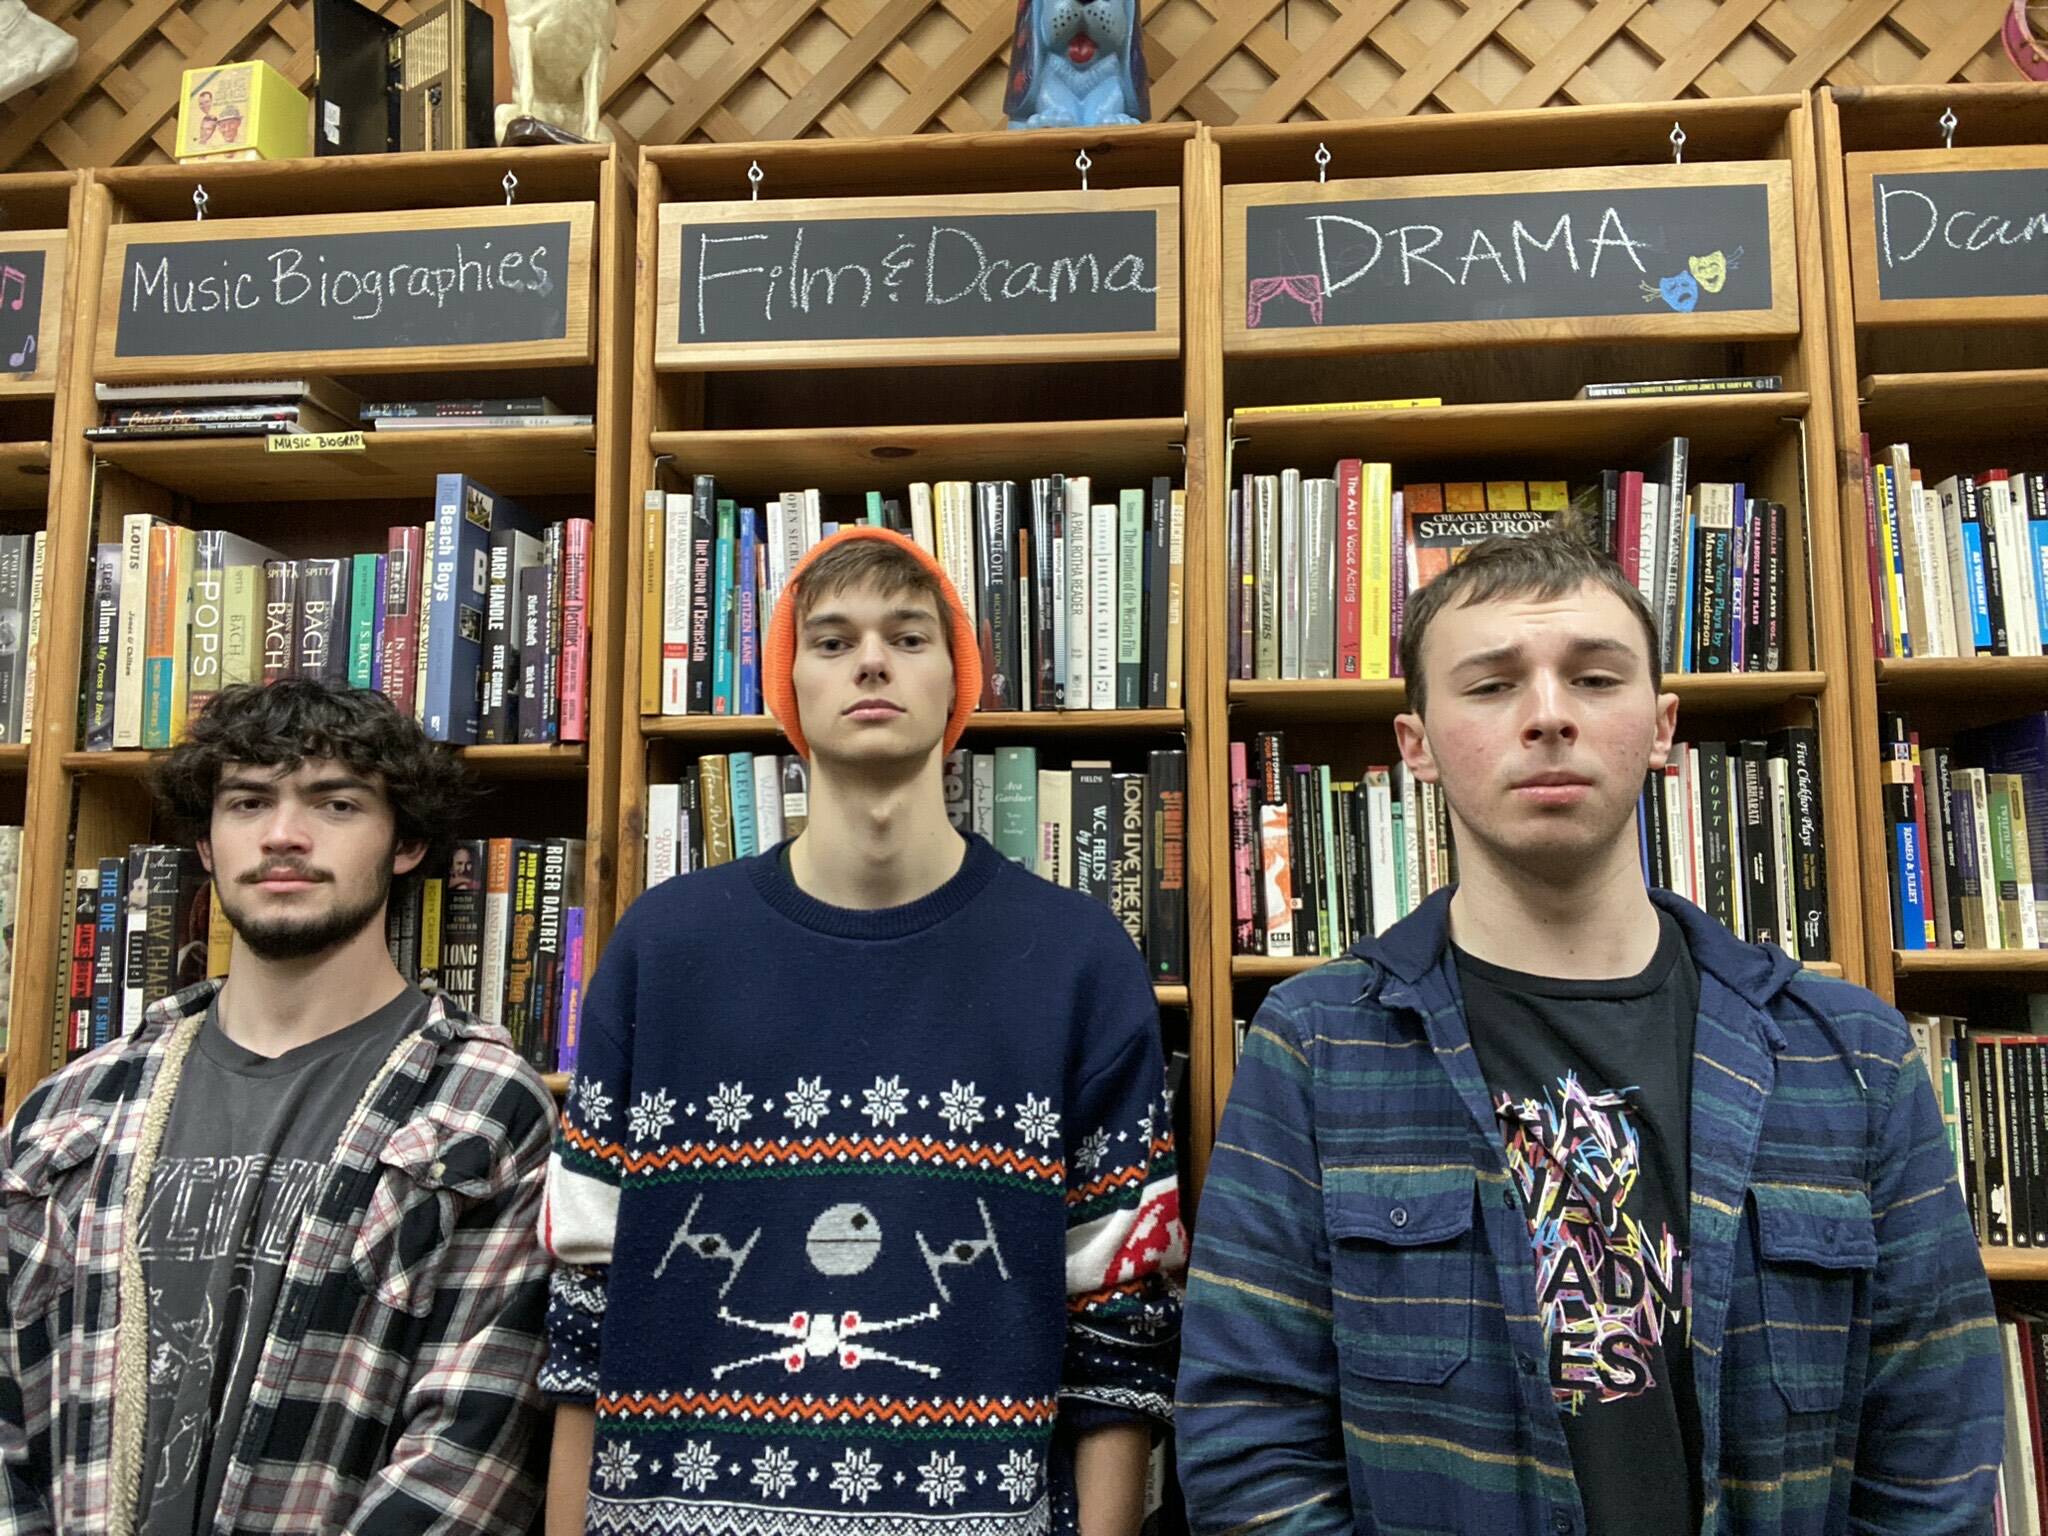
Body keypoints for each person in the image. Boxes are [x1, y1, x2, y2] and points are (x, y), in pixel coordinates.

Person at [1176, 532, 2001, 1536]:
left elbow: (1931, 1444)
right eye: (1488, 686)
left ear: (1659, 728)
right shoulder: (1314, 1046)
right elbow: (1247, 1439)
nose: (1548, 716)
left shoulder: (1853, 1057)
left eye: (1592, 677)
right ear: (1416, 746)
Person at [541, 526, 1182, 1536]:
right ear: (788, 686)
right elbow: (584, 1302)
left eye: (909, 635)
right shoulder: (662, 948)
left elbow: (1120, 1321)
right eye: (832, 640)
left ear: (958, 681)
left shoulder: (1078, 958)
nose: (871, 660)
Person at [0, 679, 556, 1533]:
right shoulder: (71, 1110)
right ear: (207, 842)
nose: (284, 835)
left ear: (405, 842)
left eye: (336, 804)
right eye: (249, 802)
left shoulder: (481, 1106)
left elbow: (470, 1453)